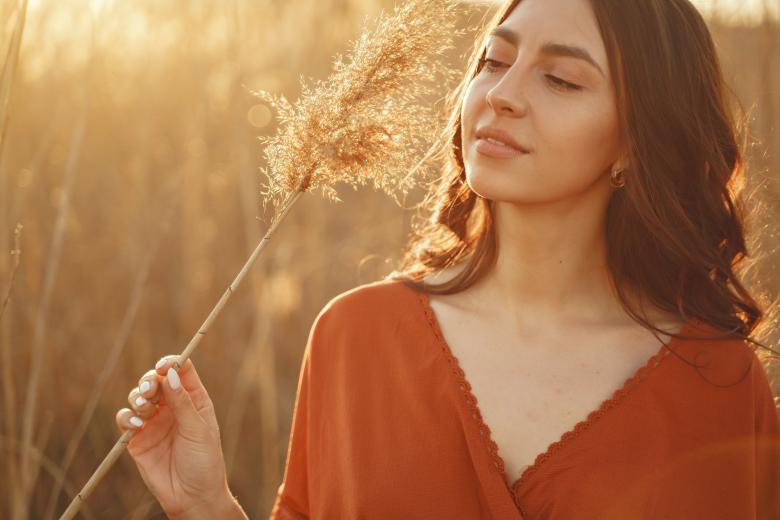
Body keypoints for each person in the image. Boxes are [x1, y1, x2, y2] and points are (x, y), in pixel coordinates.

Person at [116, 0, 780, 518]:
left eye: (560, 79)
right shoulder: (355, 337)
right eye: (494, 60)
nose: (501, 94)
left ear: (636, 142)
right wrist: (205, 505)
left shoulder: (717, 383)